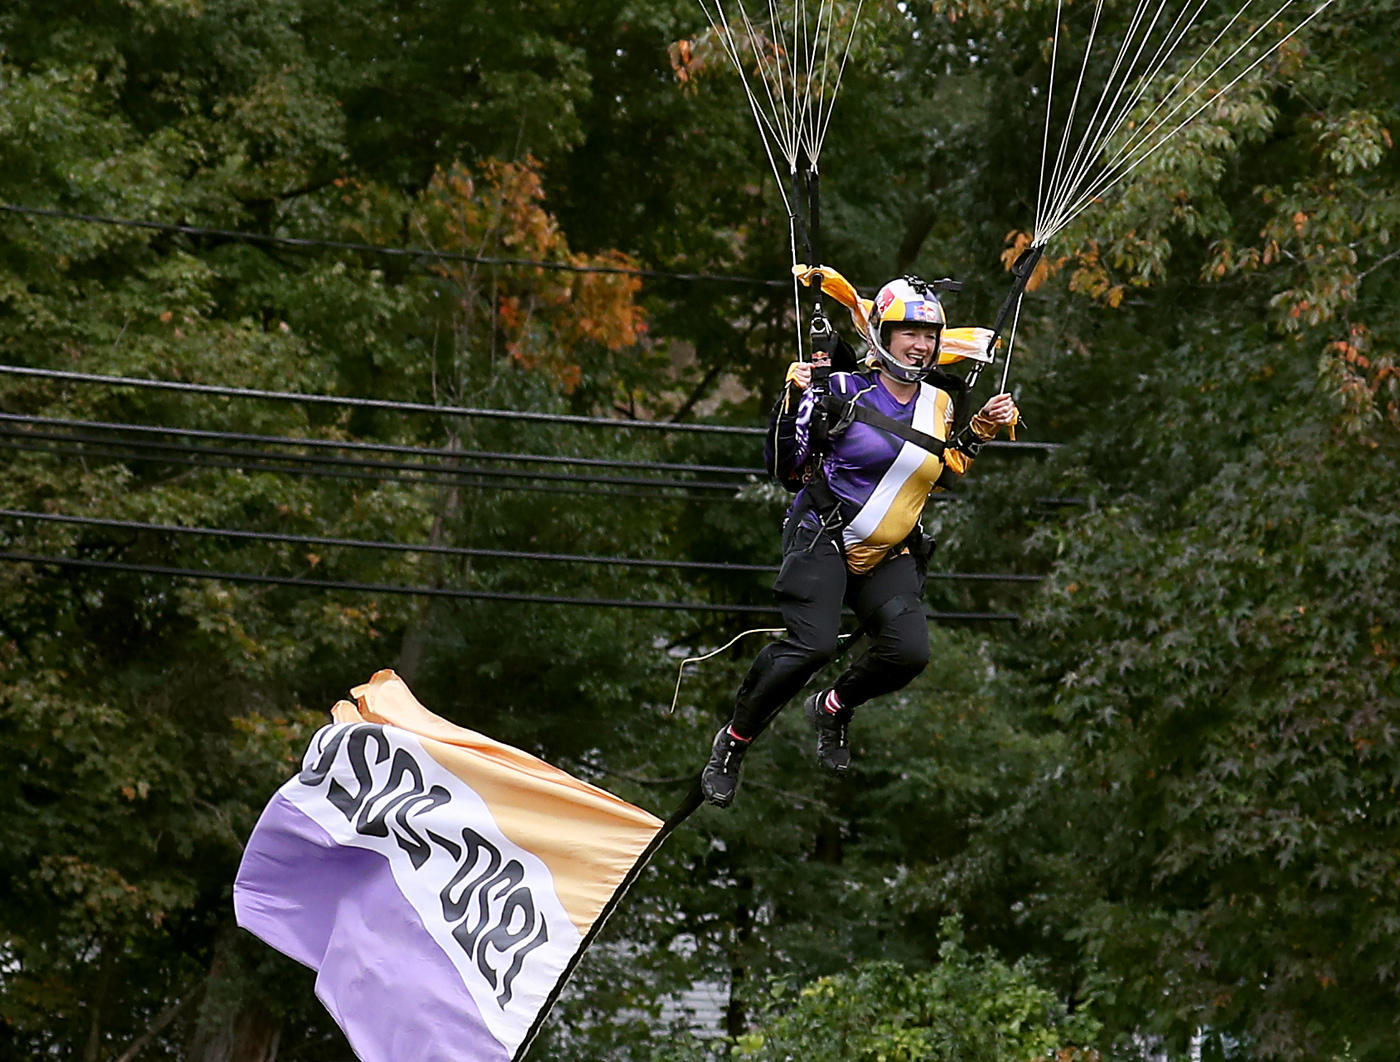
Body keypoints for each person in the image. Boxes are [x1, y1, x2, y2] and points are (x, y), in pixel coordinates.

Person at [700, 274, 1019, 808]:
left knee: (909, 651)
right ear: (883, 336)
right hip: (824, 537)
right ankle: (733, 742)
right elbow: (785, 467)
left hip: (886, 553)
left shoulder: (940, 403)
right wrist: (794, 398)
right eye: (908, 333)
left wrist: (980, 429)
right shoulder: (841, 388)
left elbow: (943, 471)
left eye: (929, 334)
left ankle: (832, 707)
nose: (920, 345)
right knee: (813, 646)